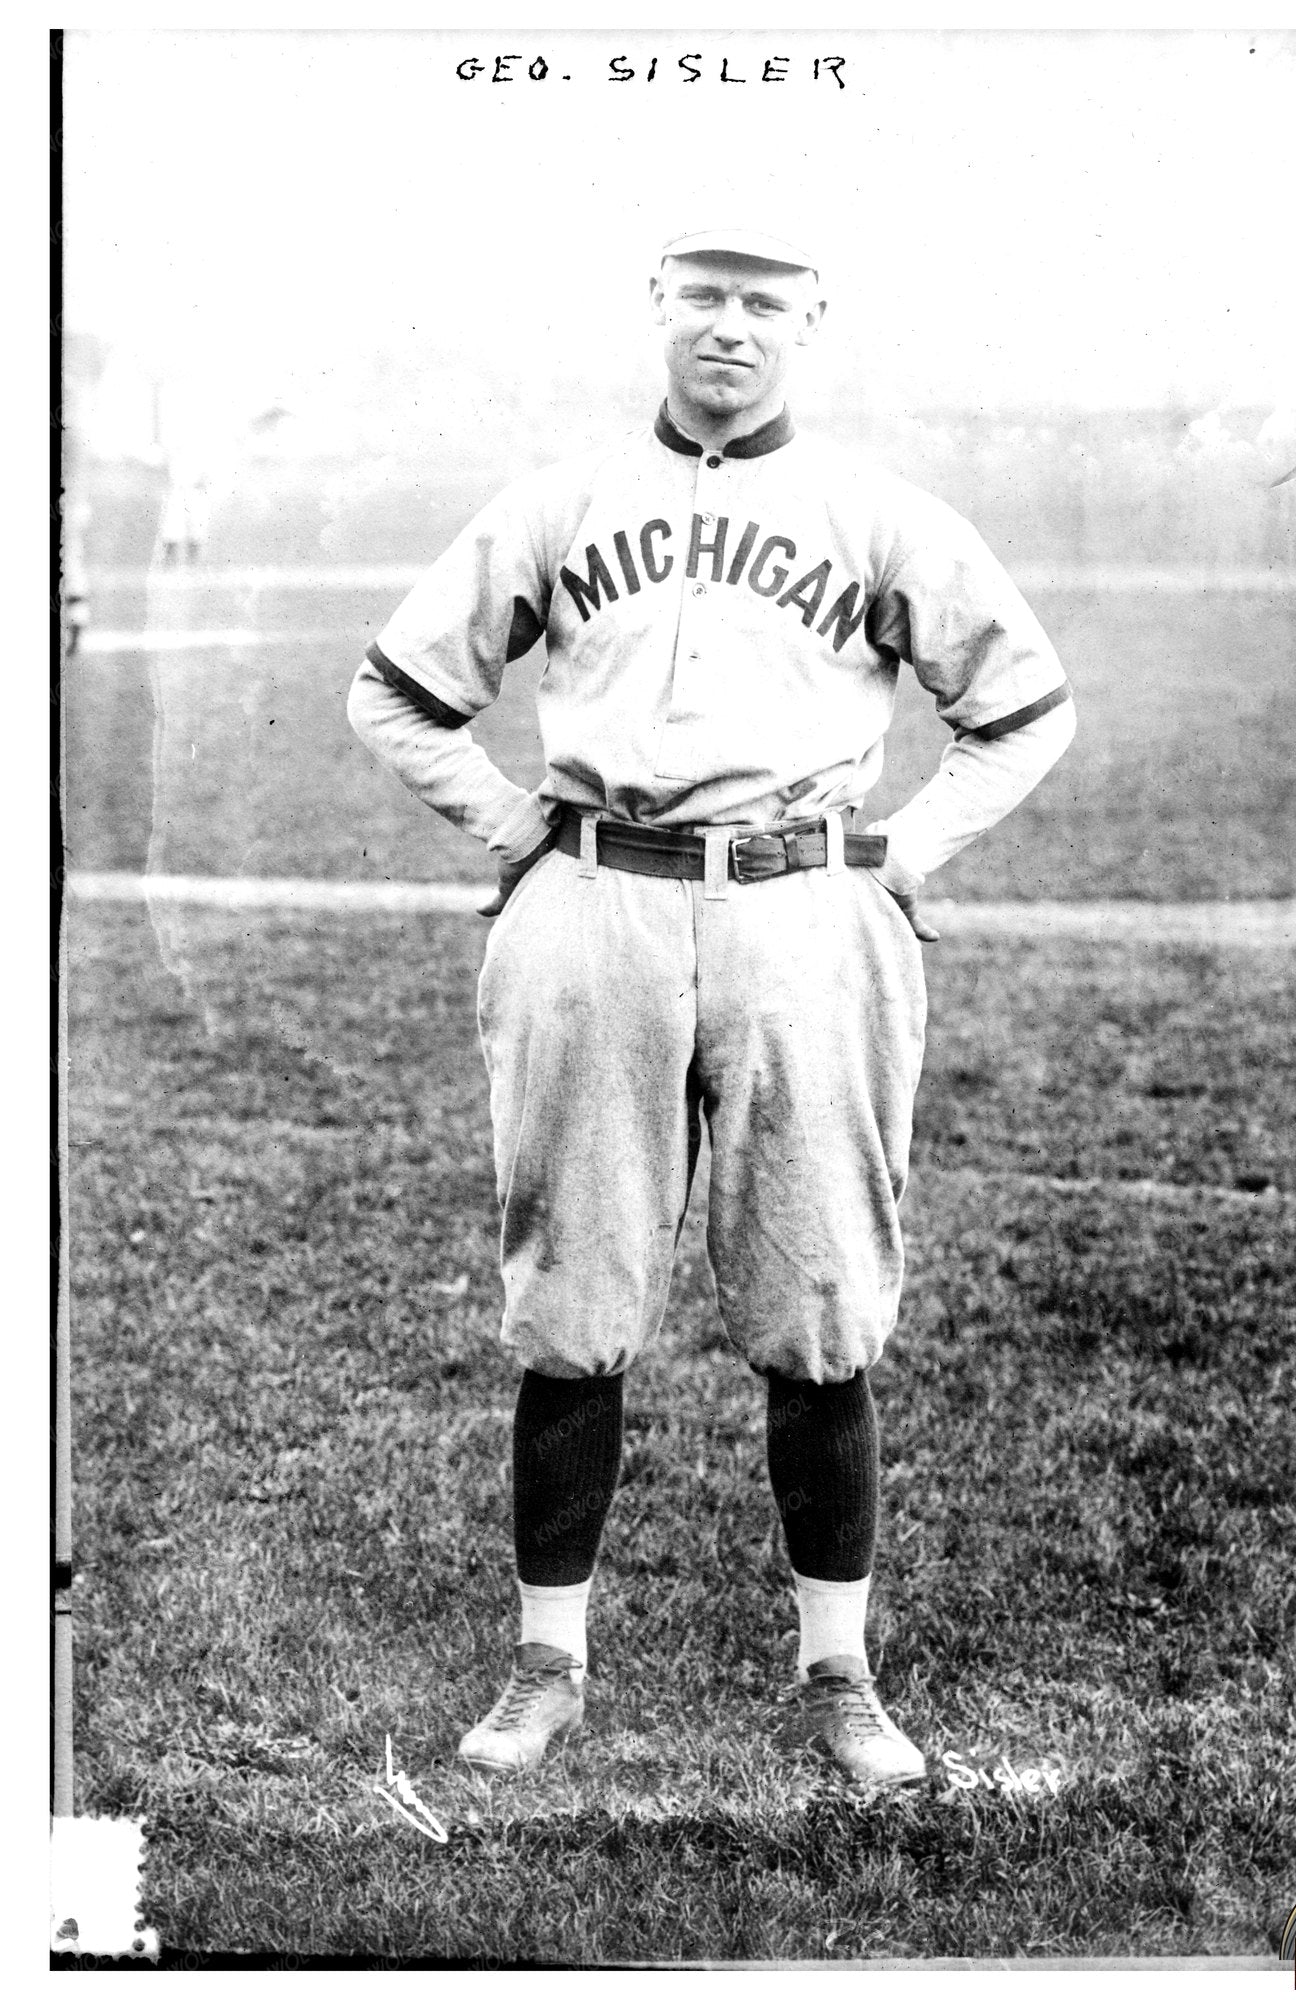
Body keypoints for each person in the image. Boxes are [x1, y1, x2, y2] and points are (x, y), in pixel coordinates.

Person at [347, 225, 1075, 1789]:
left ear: (810, 321)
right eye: (703, 297)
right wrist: (508, 825)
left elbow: (1025, 710)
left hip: (802, 911)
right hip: (596, 902)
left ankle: (840, 1676)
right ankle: (545, 1666)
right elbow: (396, 693)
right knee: (571, 1310)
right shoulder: (562, 501)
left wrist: (906, 851)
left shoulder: (877, 512)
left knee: (819, 1307)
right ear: (658, 310)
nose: (729, 327)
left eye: (762, 303)